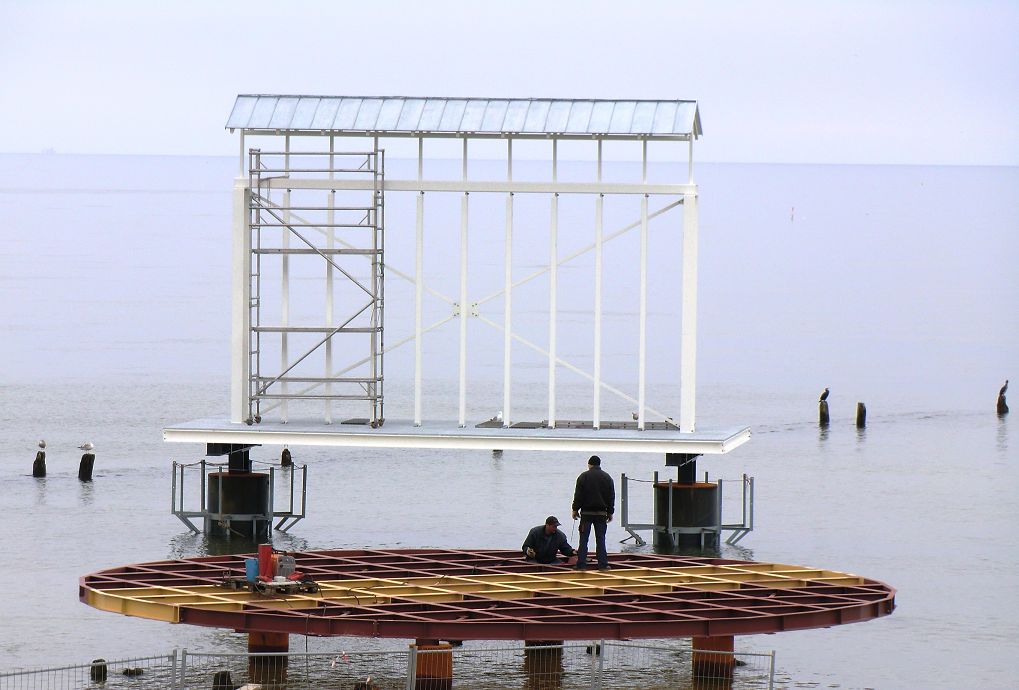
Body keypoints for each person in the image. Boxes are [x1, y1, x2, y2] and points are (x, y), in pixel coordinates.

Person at [572, 455, 614, 571]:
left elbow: (578, 495)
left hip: (586, 514)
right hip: (601, 514)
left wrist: (575, 509)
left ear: (589, 464)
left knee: (584, 539)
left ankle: (581, 565)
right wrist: (610, 512)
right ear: (599, 464)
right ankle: (603, 565)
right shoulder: (607, 477)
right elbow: (611, 497)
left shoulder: (583, 477)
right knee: (601, 539)